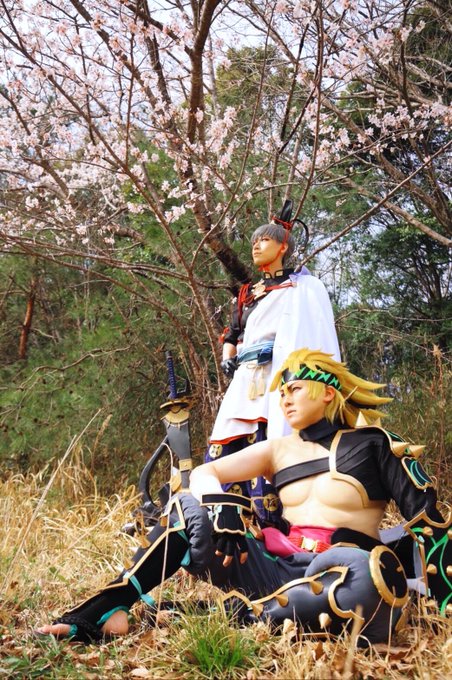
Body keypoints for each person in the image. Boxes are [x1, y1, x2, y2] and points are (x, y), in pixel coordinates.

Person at [36, 348, 451, 646]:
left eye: (295, 388)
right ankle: (106, 609)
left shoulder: (374, 444)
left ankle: (211, 614)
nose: (285, 398)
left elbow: (428, 521)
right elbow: (206, 472)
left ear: (328, 393)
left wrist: (444, 605)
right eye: (281, 392)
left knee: (367, 581)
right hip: (274, 566)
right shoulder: (277, 449)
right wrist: (221, 508)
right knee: (189, 509)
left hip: (342, 571)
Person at [206, 206, 340, 526]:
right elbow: (233, 333)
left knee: (270, 438)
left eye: (265, 240)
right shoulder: (247, 293)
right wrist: (227, 358)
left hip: (277, 377)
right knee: (227, 440)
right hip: (244, 380)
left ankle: (273, 524)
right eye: (254, 241)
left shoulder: (300, 288)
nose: (256, 246)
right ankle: (227, 523)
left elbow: (310, 333)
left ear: (283, 247)